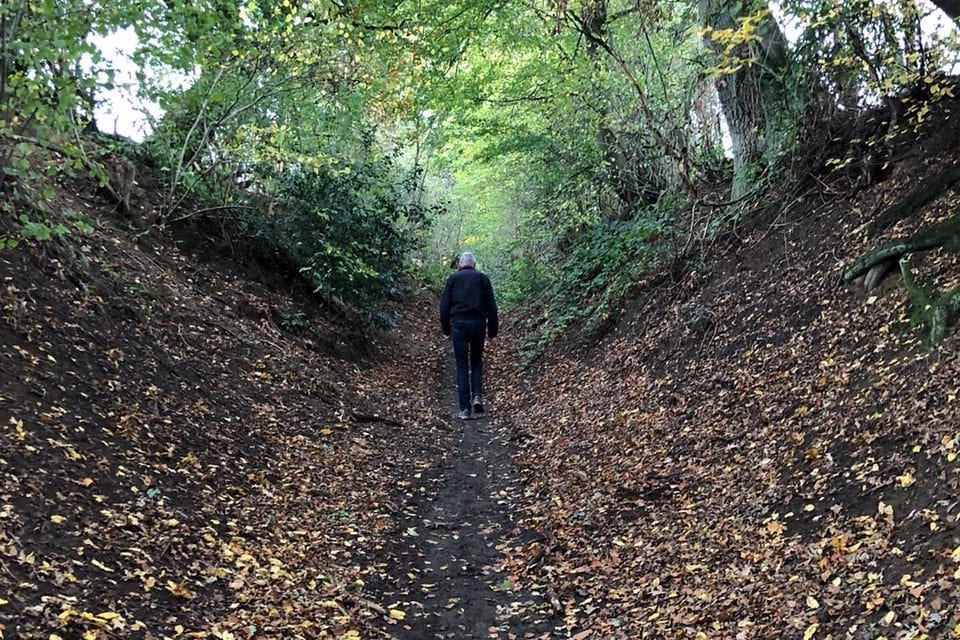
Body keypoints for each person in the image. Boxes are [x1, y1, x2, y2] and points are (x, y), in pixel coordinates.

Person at [440, 252, 498, 419]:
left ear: (460, 264)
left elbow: (444, 306)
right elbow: (492, 307)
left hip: (458, 324)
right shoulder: (483, 279)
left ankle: (465, 409)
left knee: (462, 365)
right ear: (474, 264)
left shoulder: (452, 279)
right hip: (478, 324)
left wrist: (446, 330)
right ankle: (477, 396)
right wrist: (492, 332)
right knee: (476, 361)